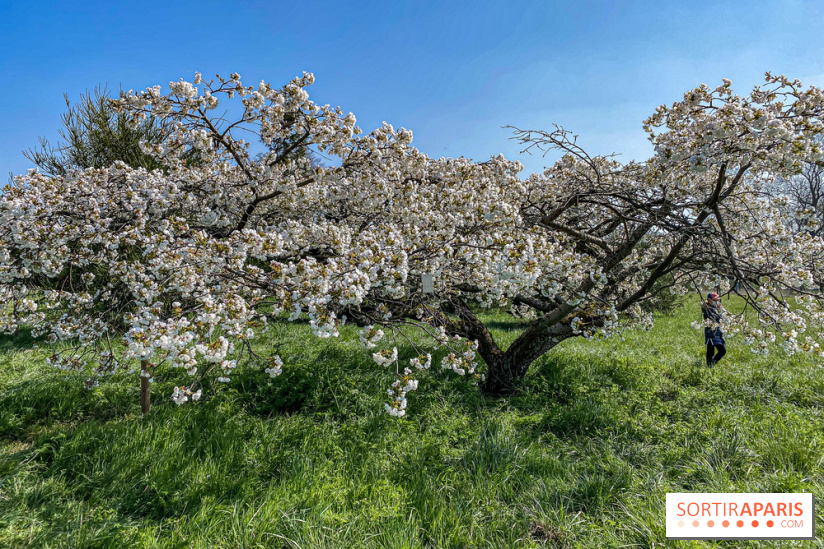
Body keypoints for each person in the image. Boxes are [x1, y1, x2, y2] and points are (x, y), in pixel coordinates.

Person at [701, 292, 726, 366]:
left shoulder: (717, 308)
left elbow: (724, 315)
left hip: (718, 333)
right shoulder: (707, 309)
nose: (716, 302)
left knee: (722, 351)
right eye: (715, 300)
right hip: (711, 333)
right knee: (710, 351)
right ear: (709, 300)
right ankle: (710, 365)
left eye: (717, 300)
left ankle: (713, 363)